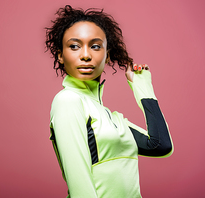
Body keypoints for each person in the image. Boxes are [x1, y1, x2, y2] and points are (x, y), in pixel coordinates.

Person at [45, 5, 173, 198]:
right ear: (60, 55)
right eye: (74, 46)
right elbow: (80, 185)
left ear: (108, 54)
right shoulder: (68, 101)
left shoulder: (113, 119)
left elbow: (160, 145)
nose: (86, 55)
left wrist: (142, 86)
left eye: (95, 46)